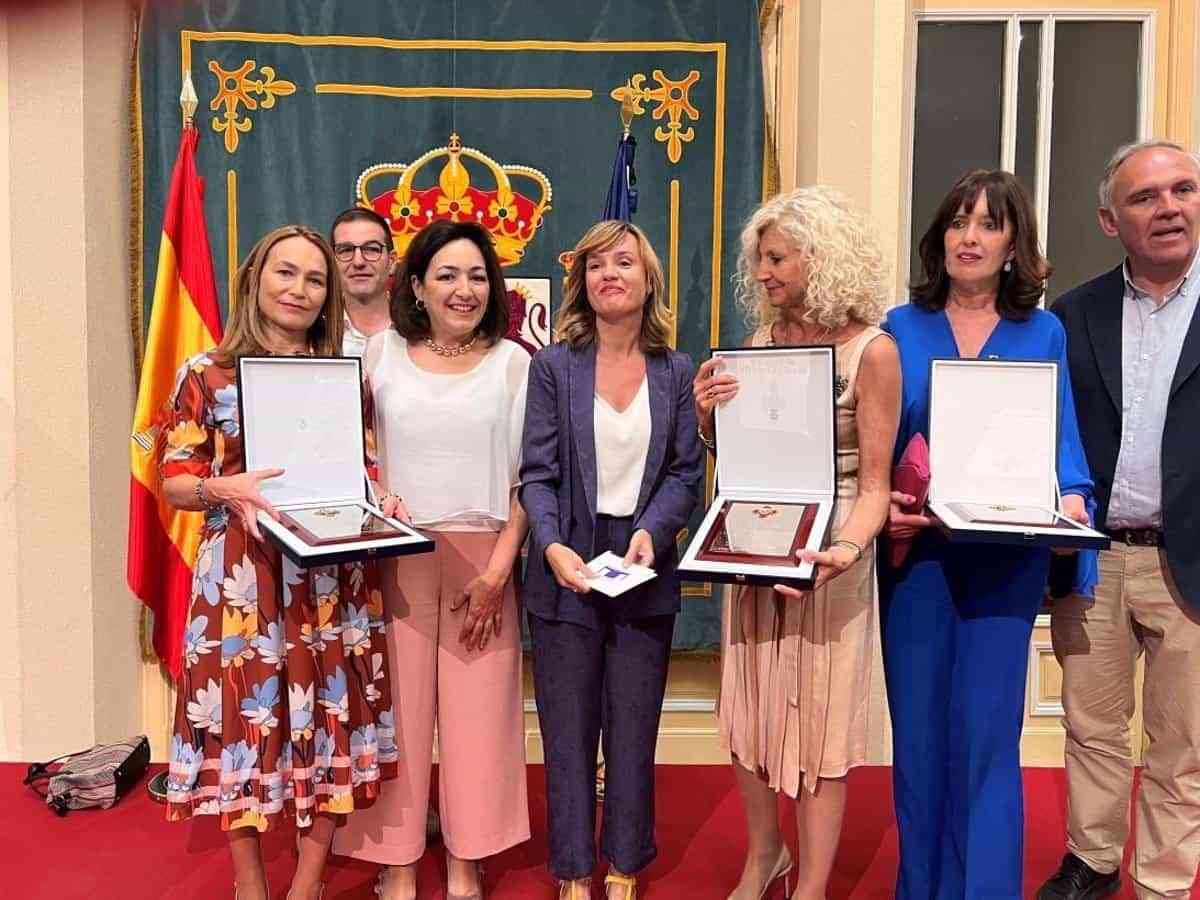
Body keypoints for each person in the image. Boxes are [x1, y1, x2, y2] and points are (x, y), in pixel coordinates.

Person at [160, 225, 397, 900]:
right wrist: (221, 488)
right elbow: (176, 480)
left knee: (327, 726)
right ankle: (251, 886)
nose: (299, 289)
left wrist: (384, 496)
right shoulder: (205, 373)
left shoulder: (345, 379)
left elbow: (366, 468)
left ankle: (309, 885)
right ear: (255, 280)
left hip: (330, 584)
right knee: (243, 726)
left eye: (314, 279)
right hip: (242, 582)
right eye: (285, 273)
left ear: (329, 297)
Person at [878, 169, 1095, 899]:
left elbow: (1063, 437)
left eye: (989, 224)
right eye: (957, 221)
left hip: (1006, 559)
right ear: (939, 240)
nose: (970, 236)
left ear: (1013, 245)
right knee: (919, 739)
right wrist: (879, 502)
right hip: (919, 560)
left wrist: (1072, 500)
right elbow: (873, 442)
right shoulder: (898, 326)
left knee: (987, 739)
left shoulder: (1045, 331)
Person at [691, 186, 901, 900]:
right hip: (757, 541)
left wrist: (843, 551)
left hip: (831, 555)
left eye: (776, 257)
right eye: (761, 259)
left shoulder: (873, 353)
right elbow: (744, 462)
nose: (762, 273)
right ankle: (765, 856)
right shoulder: (757, 345)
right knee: (746, 709)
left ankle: (810, 886)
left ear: (822, 257)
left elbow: (876, 487)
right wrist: (707, 422)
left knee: (822, 725)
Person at [331, 220, 531, 900]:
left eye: (477, 276)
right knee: (399, 716)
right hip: (397, 555)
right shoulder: (380, 354)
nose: (463, 289)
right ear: (415, 284)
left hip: (484, 558)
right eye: (447, 275)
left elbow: (529, 480)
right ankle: (397, 859)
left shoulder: (515, 363)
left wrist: (500, 570)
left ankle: (466, 861)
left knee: (480, 717)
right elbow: (343, 451)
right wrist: (372, 486)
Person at [520, 220, 704, 900]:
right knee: (568, 732)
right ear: (581, 282)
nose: (609, 274)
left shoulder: (675, 370)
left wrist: (655, 530)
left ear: (647, 278)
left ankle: (624, 865)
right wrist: (552, 544)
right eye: (596, 264)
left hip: (643, 563)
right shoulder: (553, 366)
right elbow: (535, 473)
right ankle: (573, 872)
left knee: (633, 726)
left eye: (623, 262)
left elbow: (685, 474)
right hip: (564, 560)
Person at [1037, 140, 1200, 900]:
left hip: (1190, 560)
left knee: (1183, 744)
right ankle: (1093, 863)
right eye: (1146, 197)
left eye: (1183, 190)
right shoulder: (1072, 313)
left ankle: (1164, 883)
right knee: (1092, 727)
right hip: (1097, 557)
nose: (1169, 207)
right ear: (1110, 219)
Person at [329, 206, 396, 357]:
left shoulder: (420, 328)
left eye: (371, 249)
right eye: (345, 250)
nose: (358, 262)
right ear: (332, 262)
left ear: (391, 261)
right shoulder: (315, 330)